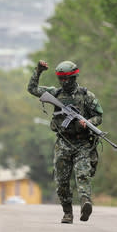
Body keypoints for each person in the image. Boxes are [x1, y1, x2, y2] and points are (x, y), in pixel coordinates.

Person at [27, 60, 104, 223]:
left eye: (66, 79)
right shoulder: (54, 93)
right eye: (61, 79)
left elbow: (99, 116)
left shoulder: (86, 96)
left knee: (83, 175)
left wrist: (89, 122)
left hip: (83, 143)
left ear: (74, 78)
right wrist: (38, 71)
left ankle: (85, 202)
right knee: (62, 181)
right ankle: (67, 212)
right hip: (63, 143)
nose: (64, 82)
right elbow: (32, 89)